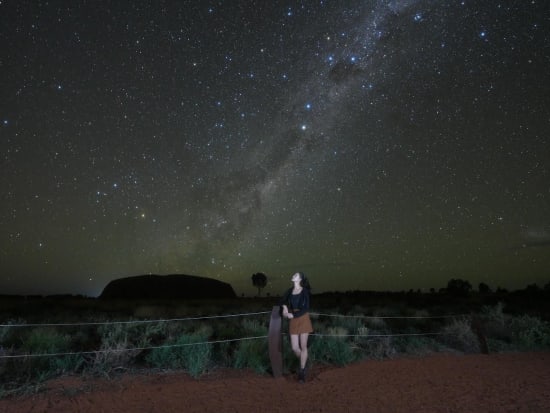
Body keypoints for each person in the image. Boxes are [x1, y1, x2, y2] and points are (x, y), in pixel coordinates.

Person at [280, 271, 313, 383]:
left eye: (296, 275)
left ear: (300, 279)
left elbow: (306, 308)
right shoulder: (289, 291)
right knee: (294, 347)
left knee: (303, 346)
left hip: (303, 318)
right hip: (293, 319)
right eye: (293, 274)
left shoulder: (304, 291)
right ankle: (304, 362)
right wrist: (285, 309)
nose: (293, 275)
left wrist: (293, 314)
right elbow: (282, 300)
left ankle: (302, 372)